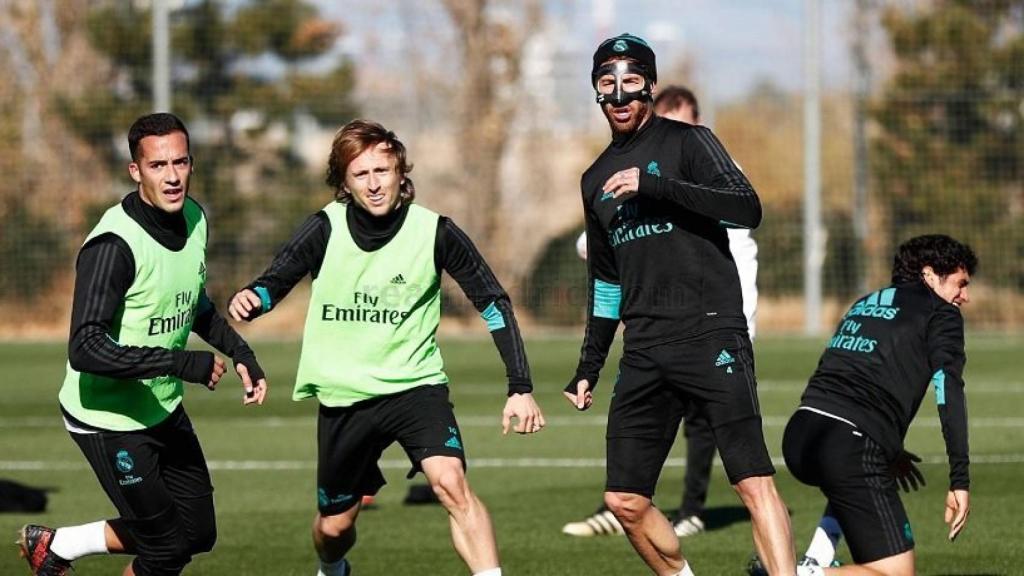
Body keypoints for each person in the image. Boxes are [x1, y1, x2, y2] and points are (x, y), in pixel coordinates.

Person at [227, 119, 544, 576]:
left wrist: (520, 386)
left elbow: (493, 303)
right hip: (345, 396)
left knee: (451, 484)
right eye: (361, 174)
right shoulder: (324, 227)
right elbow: (278, 277)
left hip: (415, 387)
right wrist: (255, 297)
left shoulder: (435, 231)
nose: (374, 184)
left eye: (382, 170)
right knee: (334, 528)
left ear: (400, 172)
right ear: (344, 182)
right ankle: (332, 567)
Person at [565, 33, 794, 575]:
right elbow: (606, 282)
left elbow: (746, 207)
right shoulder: (593, 179)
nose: (620, 95)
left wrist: (656, 185)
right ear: (596, 91)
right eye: (607, 84)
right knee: (625, 500)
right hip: (645, 349)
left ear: (649, 85)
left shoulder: (690, 142)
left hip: (710, 333)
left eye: (631, 82)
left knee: (752, 482)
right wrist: (589, 365)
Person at [17, 113, 269, 576]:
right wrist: (179, 363)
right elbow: (85, 348)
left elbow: (192, 302)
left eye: (180, 162)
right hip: (107, 419)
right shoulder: (113, 246)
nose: (172, 176)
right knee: (166, 548)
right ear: (135, 171)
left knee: (197, 533)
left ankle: (59, 544)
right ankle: (63, 545)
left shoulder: (195, 218)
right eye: (157, 165)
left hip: (161, 408)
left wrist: (240, 352)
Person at [775, 234, 975, 576]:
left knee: (856, 484)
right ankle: (789, 574)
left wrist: (886, 448)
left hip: (801, 434)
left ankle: (814, 561)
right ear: (929, 275)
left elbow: (848, 374)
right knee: (895, 573)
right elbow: (949, 389)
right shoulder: (941, 313)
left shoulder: (865, 302)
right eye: (961, 283)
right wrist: (960, 480)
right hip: (848, 445)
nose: (965, 296)